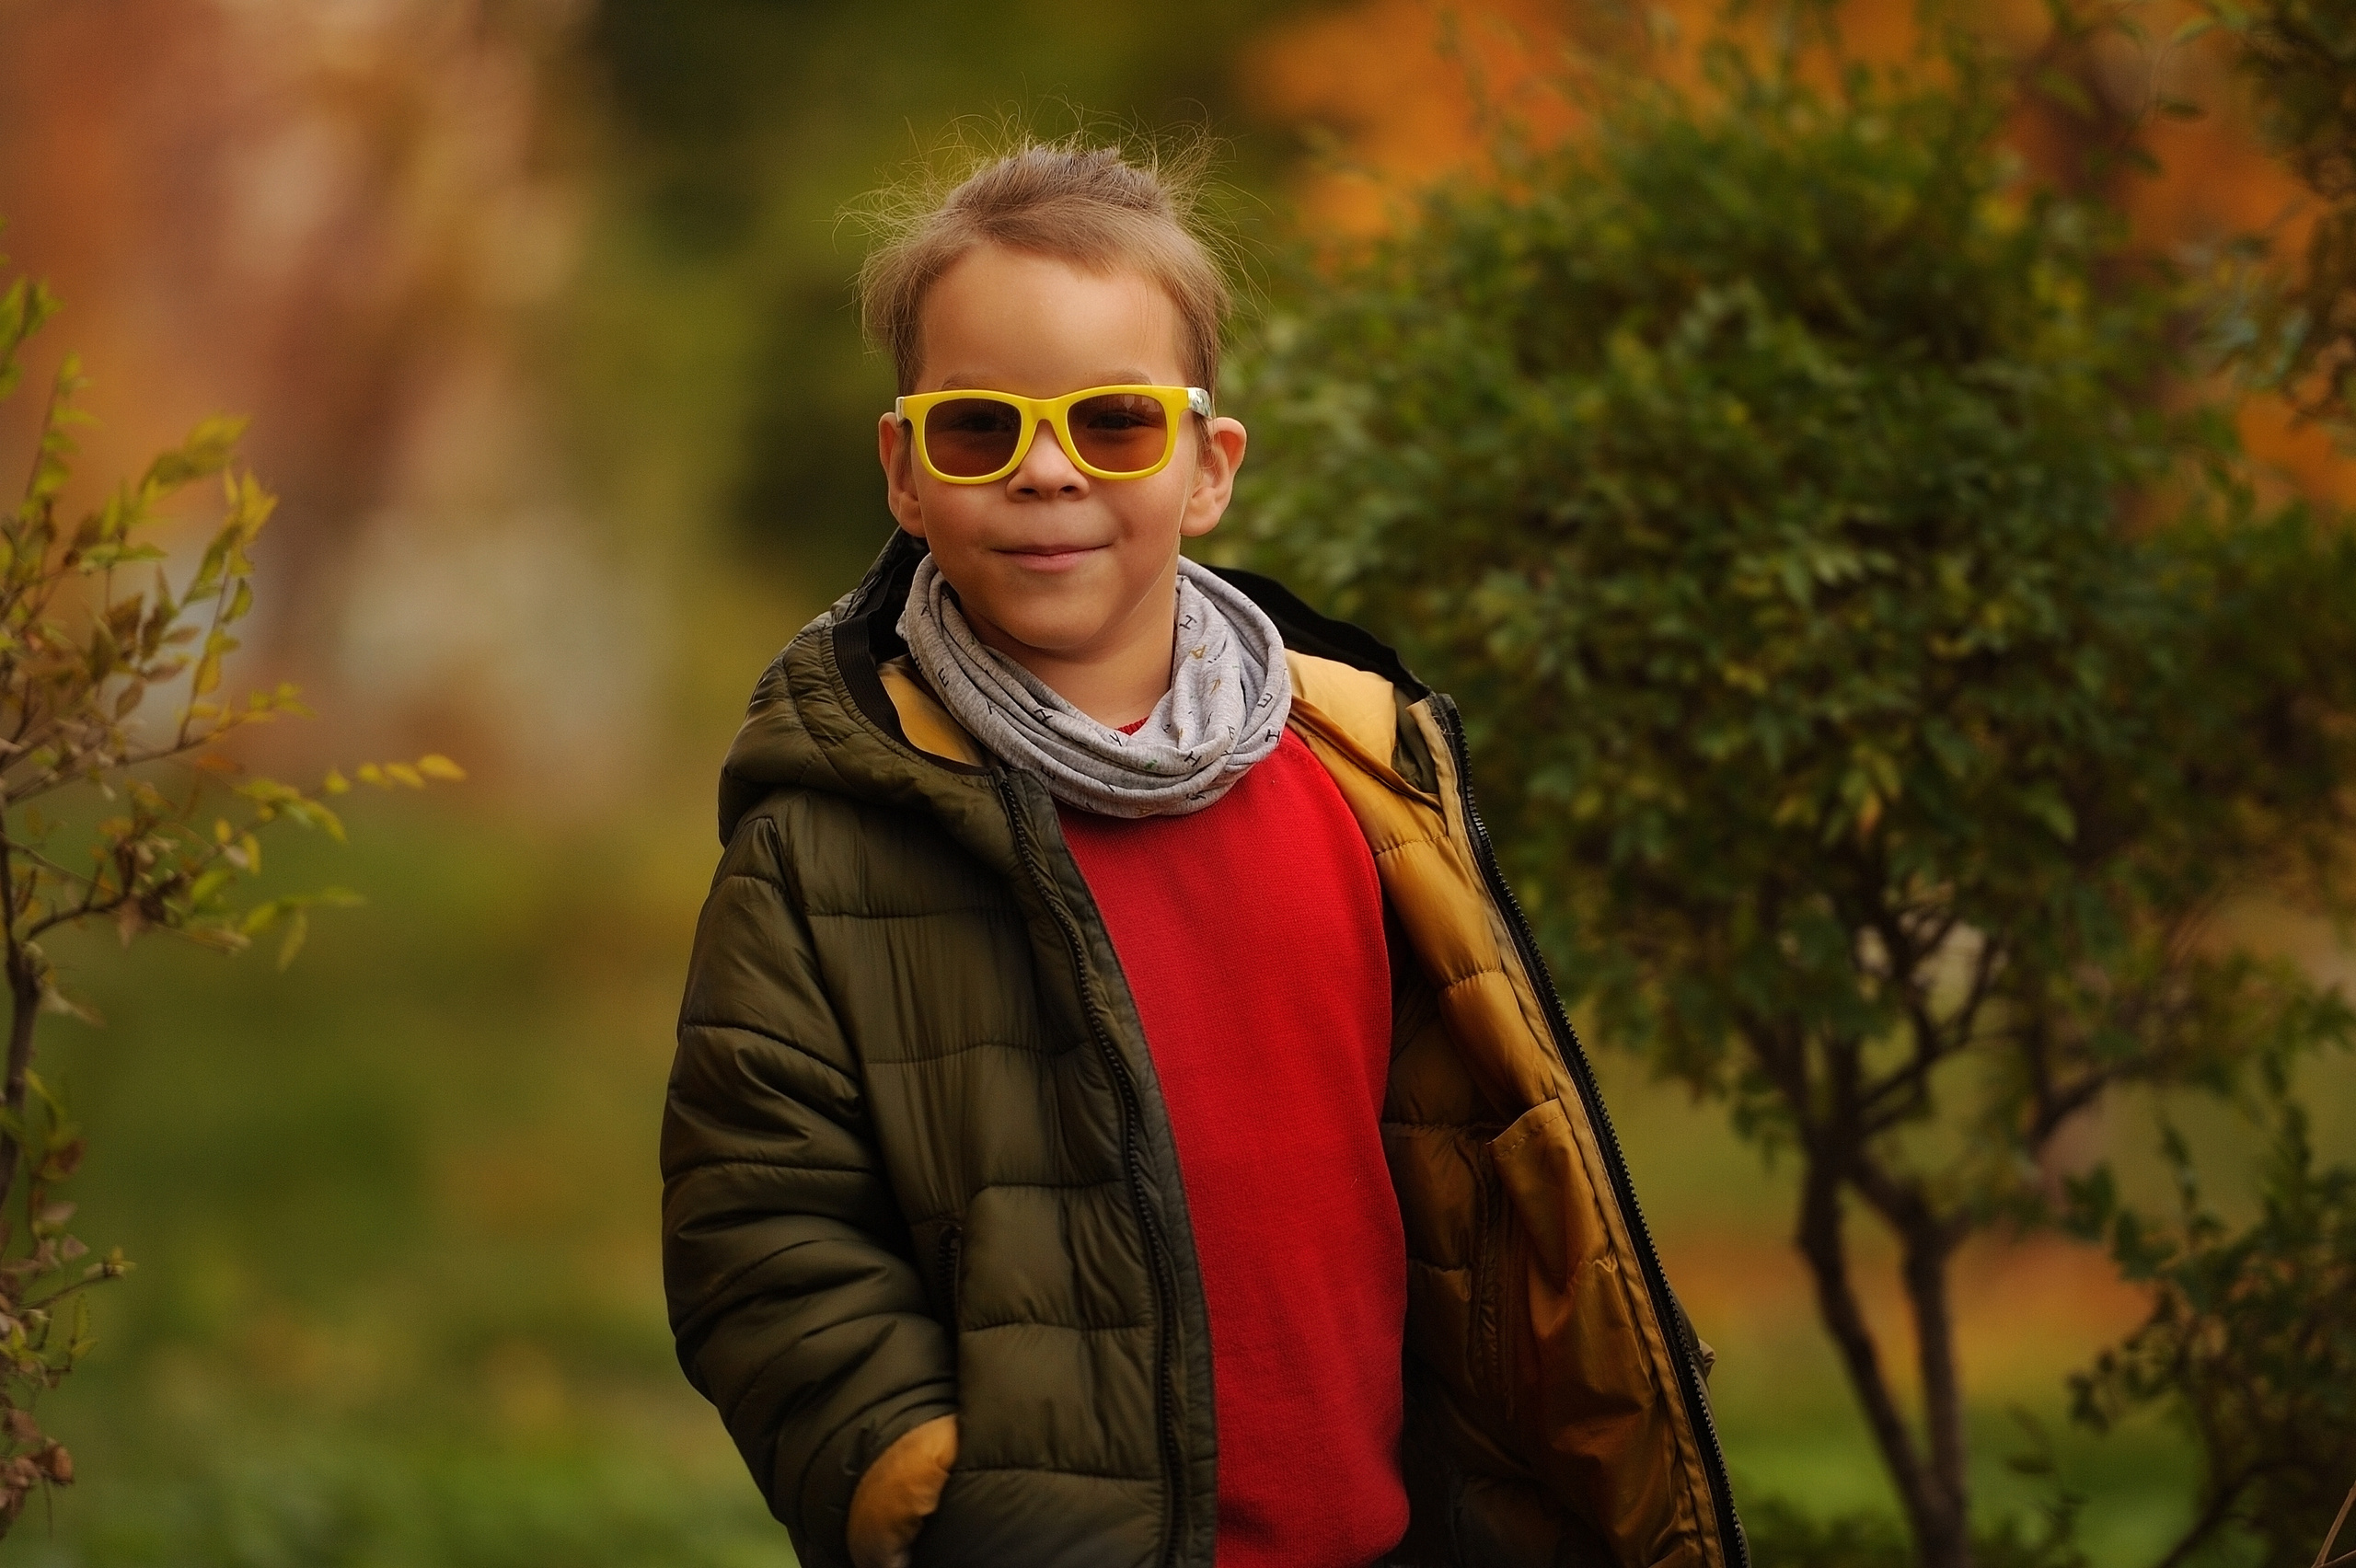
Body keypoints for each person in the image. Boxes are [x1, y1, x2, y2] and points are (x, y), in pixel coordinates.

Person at [660, 137, 1744, 1568]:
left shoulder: (1359, 776)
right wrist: (931, 1487)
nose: (1046, 473)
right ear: (905, 473)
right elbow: (760, 1224)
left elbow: (1484, 1171)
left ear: (1208, 468)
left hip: (1391, 1534)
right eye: (980, 429)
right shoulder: (836, 831)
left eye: (1112, 424)